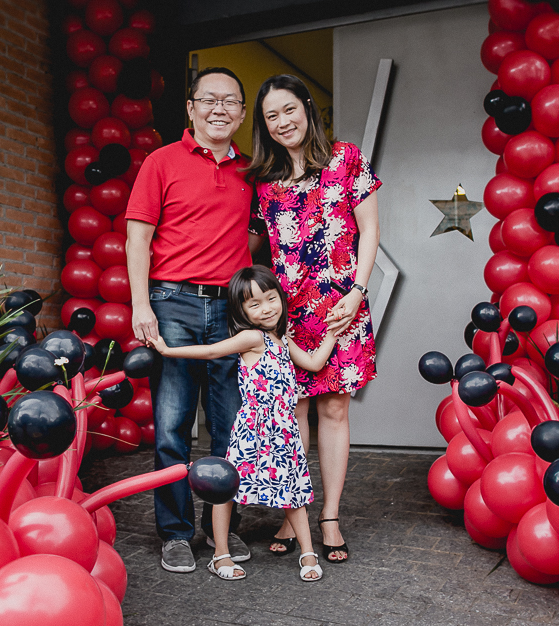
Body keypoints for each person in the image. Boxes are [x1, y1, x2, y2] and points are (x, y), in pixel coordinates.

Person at [246, 74, 381, 563]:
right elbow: (256, 249)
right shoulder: (263, 181)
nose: (283, 122)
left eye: (288, 109)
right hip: (287, 312)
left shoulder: (345, 159)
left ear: (307, 105)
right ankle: (293, 512)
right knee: (292, 413)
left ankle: (330, 516)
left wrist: (358, 291)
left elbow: (370, 230)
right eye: (271, 117)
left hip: (341, 305)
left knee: (335, 411)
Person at [126, 67, 257, 574]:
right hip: (172, 303)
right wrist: (142, 305)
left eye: (230, 101)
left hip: (230, 309)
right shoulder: (161, 162)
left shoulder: (251, 171)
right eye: (209, 100)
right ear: (191, 107)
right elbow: (138, 239)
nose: (219, 109)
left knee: (230, 425)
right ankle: (176, 532)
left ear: (243, 114)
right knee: (172, 428)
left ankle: (222, 528)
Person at [149, 265, 344, 582]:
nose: (266, 308)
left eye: (270, 298)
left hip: (282, 433)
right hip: (251, 431)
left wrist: (333, 334)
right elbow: (212, 350)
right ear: (242, 310)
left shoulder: (282, 340)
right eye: (255, 304)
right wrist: (169, 349)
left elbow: (314, 363)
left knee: (292, 492)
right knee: (226, 489)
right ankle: (220, 555)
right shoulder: (252, 338)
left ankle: (307, 554)